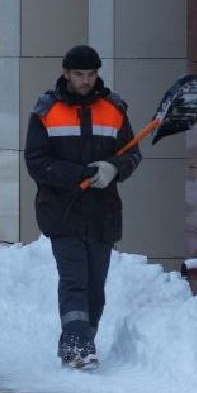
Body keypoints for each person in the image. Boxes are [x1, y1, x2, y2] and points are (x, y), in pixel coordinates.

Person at [24, 44, 142, 369]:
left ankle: (84, 342)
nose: (86, 81)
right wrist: (79, 174)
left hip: (103, 213)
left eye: (91, 74)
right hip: (62, 211)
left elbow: (132, 154)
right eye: (79, 74)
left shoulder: (114, 109)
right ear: (66, 74)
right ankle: (75, 345)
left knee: (95, 285)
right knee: (75, 279)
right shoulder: (46, 111)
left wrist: (113, 169)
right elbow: (36, 162)